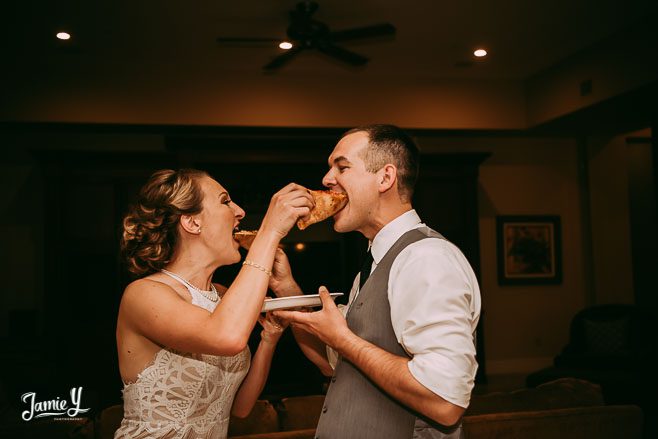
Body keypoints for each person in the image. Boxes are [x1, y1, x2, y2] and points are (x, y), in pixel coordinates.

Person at [273, 125, 481, 439]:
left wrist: (344, 340)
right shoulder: (375, 264)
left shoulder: (426, 258)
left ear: (385, 177)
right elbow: (337, 365)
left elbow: (445, 400)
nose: (327, 179)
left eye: (341, 167)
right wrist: (287, 287)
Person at [114, 169, 314, 439]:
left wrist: (269, 338)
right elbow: (227, 337)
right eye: (225, 201)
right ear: (192, 223)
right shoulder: (144, 294)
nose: (240, 211)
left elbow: (240, 408)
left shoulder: (222, 295)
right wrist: (269, 231)